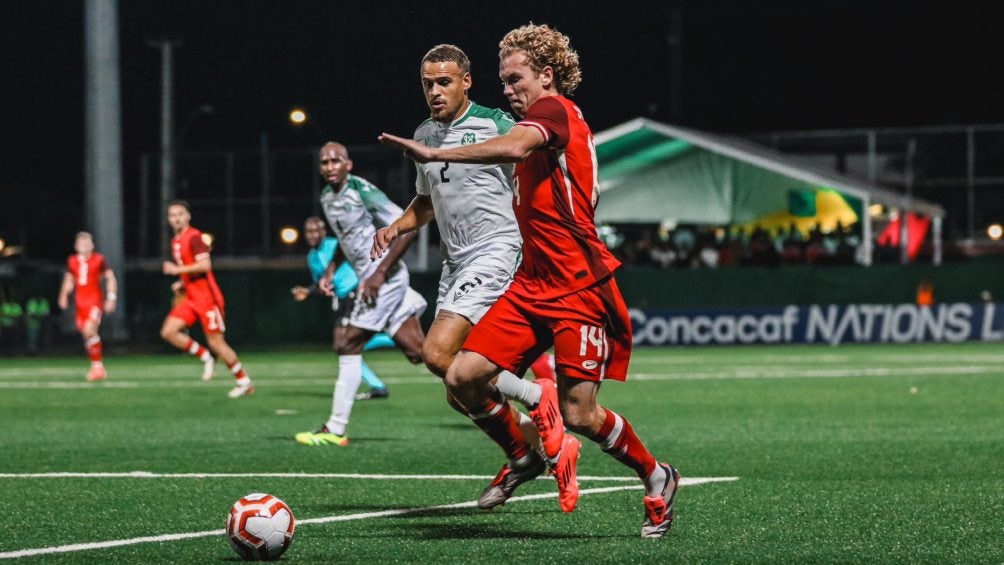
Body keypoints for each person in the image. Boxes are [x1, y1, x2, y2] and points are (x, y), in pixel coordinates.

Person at [378, 23, 679, 538]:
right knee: (459, 377)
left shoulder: (555, 113)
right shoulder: (524, 120)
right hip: (530, 284)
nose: (510, 89)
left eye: (516, 78)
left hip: (577, 285)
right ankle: (523, 452)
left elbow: (516, 148)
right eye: (504, 80)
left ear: (547, 74)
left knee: (581, 415)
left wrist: (437, 153)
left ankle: (656, 475)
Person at [371, 44, 574, 512]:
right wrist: (396, 226)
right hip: (456, 263)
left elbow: (537, 156)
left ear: (467, 82)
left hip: (499, 251)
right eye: (427, 83)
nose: (435, 91)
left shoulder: (496, 124)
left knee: (437, 352)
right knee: (459, 389)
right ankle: (524, 453)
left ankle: (536, 400)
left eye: (444, 81)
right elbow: (426, 202)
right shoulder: (424, 133)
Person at [293, 142, 427, 447]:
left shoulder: (361, 191)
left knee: (347, 341)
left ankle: (335, 428)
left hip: (385, 281)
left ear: (348, 165)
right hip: (374, 281)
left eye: (335, 161)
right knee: (423, 354)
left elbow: (408, 227)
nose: (329, 166)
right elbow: (346, 239)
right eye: (324, 162)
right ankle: (504, 384)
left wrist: (380, 273)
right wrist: (330, 270)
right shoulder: (327, 197)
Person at [160, 200, 254, 398]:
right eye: (172, 215)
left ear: (188, 216)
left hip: (207, 298)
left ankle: (244, 381)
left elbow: (205, 266)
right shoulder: (176, 241)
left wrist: (177, 270)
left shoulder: (195, 237)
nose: (176, 218)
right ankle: (205, 357)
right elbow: (192, 269)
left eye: (180, 214)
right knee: (168, 332)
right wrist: (182, 283)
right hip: (191, 297)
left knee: (217, 343)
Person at [292, 216, 392, 400]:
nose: (312, 234)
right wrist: (307, 291)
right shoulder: (312, 257)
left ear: (323, 232)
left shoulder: (335, 245)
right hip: (341, 299)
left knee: (344, 345)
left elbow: (358, 255)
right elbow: (321, 283)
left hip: (354, 293)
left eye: (316, 230)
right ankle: (379, 381)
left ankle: (394, 340)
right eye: (308, 231)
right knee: (343, 346)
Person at [57, 232, 117, 381]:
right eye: (81, 243)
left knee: (90, 329)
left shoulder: (99, 259)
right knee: (87, 334)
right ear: (76, 246)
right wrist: (63, 295)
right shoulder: (72, 261)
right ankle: (97, 366)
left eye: (87, 242)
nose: (84, 245)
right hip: (80, 304)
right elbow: (69, 280)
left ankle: (98, 368)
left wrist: (111, 298)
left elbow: (110, 278)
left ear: (92, 245)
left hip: (94, 302)